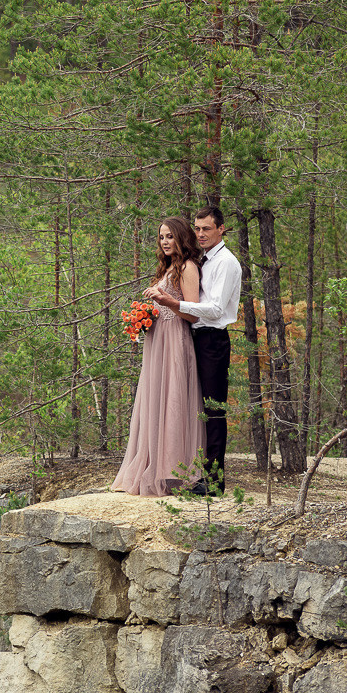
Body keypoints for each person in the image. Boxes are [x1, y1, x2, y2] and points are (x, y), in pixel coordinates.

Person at [146, 205, 242, 495]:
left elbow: (214, 310)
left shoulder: (226, 262)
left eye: (207, 229)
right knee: (193, 405)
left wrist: (174, 305)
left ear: (221, 229)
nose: (201, 234)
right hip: (195, 338)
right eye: (197, 229)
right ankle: (195, 472)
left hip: (212, 340)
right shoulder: (205, 261)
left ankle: (214, 483)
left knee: (213, 410)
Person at [112, 217, 205, 496]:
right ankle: (152, 463)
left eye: (169, 237)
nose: (164, 242)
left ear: (181, 238)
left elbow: (192, 312)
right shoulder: (168, 268)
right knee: (156, 400)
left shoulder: (188, 267)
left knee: (174, 400)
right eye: (161, 237)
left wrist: (166, 303)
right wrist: (143, 317)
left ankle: (175, 472)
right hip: (157, 341)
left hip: (175, 340)